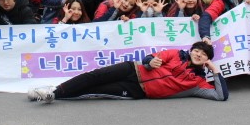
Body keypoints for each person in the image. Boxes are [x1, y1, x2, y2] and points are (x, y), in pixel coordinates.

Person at [28, 41, 228, 103]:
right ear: (191, 50)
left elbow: (221, 96)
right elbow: (150, 57)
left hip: (137, 91)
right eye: (197, 50)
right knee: (93, 76)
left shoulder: (198, 83)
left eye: (204, 54)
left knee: (95, 90)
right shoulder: (176, 54)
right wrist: (150, 62)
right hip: (132, 69)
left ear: (207, 60)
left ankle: (50, 94)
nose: (199, 55)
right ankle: (53, 92)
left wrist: (215, 71)